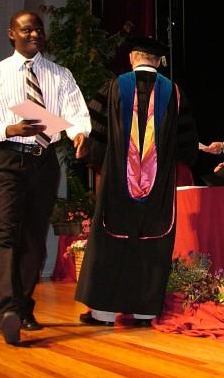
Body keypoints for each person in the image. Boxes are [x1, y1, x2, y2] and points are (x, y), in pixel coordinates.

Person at [0, 10, 91, 345]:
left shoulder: (59, 74)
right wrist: (10, 128)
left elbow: (76, 113)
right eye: (27, 30)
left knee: (35, 240)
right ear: (12, 34)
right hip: (7, 159)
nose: (34, 34)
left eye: (38, 30)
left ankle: (23, 306)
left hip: (44, 162)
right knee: (5, 233)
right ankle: (7, 309)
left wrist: (79, 134)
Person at [75, 36, 198, 326]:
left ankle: (103, 314)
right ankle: (144, 313)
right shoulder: (175, 93)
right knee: (151, 243)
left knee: (111, 241)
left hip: (117, 188)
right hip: (158, 192)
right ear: (158, 61)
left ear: (132, 58)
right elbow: (186, 146)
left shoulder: (114, 88)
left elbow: (98, 139)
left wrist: (94, 156)